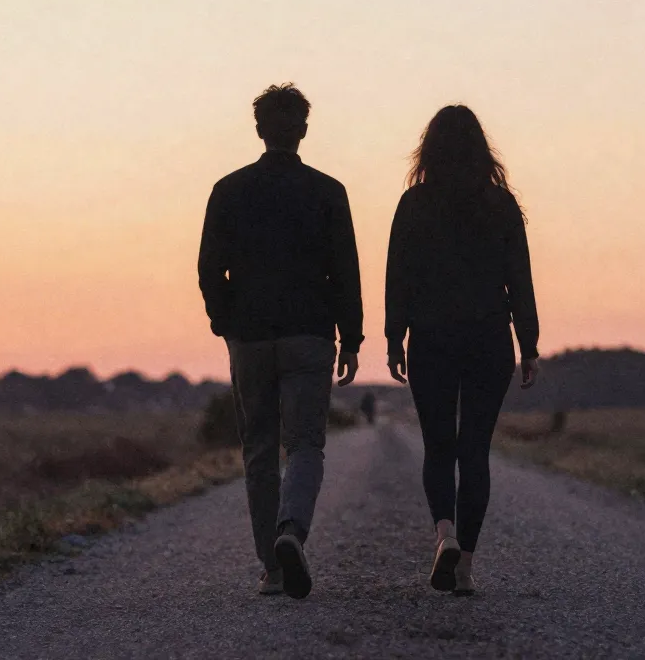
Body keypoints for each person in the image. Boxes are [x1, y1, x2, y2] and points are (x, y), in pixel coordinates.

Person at [198, 83, 363, 599]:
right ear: (304, 131)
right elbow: (346, 272)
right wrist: (351, 337)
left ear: (259, 129)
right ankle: (291, 529)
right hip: (310, 335)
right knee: (306, 443)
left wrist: (225, 322)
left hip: (249, 337)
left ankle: (271, 569)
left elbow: (208, 268)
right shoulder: (328, 192)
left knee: (260, 449)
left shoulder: (229, 190)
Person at [385, 104, 539, 596]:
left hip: (431, 337)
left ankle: (445, 534)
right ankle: (466, 566)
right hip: (489, 337)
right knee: (475, 450)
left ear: (428, 149)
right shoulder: (501, 205)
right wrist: (529, 344)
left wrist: (394, 337)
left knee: (438, 446)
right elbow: (520, 278)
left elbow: (398, 277)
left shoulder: (414, 204)